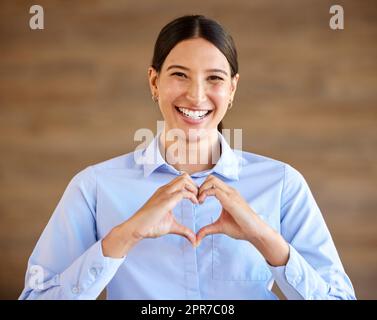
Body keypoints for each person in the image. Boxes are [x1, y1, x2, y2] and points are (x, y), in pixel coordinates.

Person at [19, 14, 356, 300]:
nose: (196, 95)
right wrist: (126, 234)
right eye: (179, 74)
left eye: (214, 79)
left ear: (232, 89)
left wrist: (265, 238)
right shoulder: (94, 186)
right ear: (154, 81)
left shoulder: (283, 185)